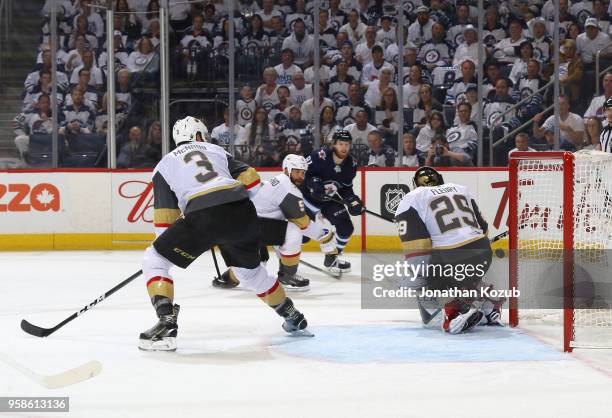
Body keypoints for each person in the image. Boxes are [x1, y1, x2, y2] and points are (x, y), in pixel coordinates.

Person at [139, 116, 311, 351]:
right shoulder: (216, 151)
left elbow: (164, 220)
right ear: (199, 136)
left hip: (201, 215)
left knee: (154, 260)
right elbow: (250, 177)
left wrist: (173, 242)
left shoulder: (164, 164)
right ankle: (292, 315)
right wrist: (230, 210)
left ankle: (166, 323)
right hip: (242, 212)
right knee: (251, 275)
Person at [394, 166, 498, 334]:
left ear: (415, 184)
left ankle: (451, 315)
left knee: (424, 279)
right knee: (466, 271)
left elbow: (418, 250)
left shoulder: (411, 198)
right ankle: (488, 306)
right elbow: (484, 230)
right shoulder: (461, 189)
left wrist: (413, 279)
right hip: (483, 251)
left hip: (453, 259)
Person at [213, 154, 339, 290]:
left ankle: (227, 279)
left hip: (246, 227)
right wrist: (325, 237)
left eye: (303, 173)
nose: (300, 176)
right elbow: (303, 224)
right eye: (296, 172)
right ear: (286, 170)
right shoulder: (289, 189)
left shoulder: (275, 182)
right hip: (255, 227)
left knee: (258, 265)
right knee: (293, 232)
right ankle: (288, 275)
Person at [301, 130, 363, 273]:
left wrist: (352, 200)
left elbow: (345, 188)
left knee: (346, 228)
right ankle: (285, 257)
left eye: (347, 144)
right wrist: (312, 183)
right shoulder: (319, 156)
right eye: (340, 144)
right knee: (303, 238)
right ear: (334, 144)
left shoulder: (351, 164)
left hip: (328, 200)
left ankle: (332, 257)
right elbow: (302, 172)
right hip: (308, 199)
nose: (344, 147)